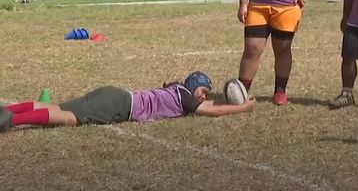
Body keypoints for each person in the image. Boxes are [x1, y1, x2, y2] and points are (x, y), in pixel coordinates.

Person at [0, 71, 254, 131]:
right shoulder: (185, 97)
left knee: (57, 107)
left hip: (115, 95)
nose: (205, 95)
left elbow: (209, 104)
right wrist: (243, 106)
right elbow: (209, 111)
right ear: (192, 87)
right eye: (203, 90)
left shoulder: (178, 90)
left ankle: (9, 110)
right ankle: (12, 119)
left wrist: (227, 98)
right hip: (119, 105)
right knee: (67, 118)